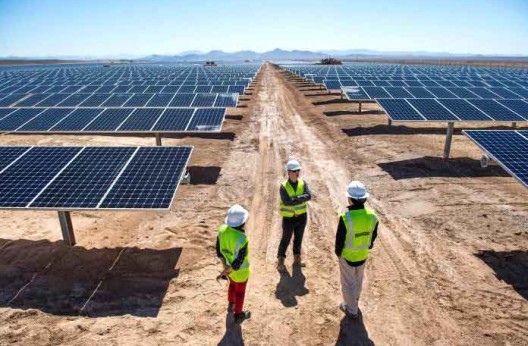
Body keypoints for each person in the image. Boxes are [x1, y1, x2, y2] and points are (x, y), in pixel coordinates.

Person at [335, 181, 379, 319]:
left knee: (348, 283)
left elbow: (339, 240)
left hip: (347, 256)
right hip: (363, 255)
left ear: (350, 199)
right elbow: (373, 235)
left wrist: (338, 253)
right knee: (358, 280)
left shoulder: (346, 218)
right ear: (365, 199)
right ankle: (355, 300)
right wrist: (368, 245)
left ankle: (351, 309)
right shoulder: (372, 216)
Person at [216, 204, 251, 324]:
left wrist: (225, 268)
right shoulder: (242, 239)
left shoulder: (221, 230)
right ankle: (238, 314)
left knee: (232, 285)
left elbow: (218, 251)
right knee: (240, 292)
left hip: (227, 269)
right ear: (242, 223)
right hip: (240, 272)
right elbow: (238, 263)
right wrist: (229, 269)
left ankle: (231, 304)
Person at [277, 159, 312, 271]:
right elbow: (286, 201)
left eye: (298, 171)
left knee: (299, 238)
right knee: (285, 239)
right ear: (289, 172)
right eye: (294, 171)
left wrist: (296, 199)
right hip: (288, 218)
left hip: (302, 217)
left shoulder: (303, 183)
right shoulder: (283, 186)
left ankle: (297, 259)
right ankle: (280, 260)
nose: (297, 173)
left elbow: (309, 196)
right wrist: (301, 198)